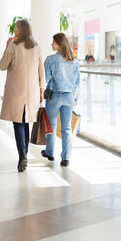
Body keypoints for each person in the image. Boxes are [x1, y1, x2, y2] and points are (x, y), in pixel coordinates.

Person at [0, 19, 45, 172]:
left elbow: (2, 66)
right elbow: (41, 71)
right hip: (31, 92)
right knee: (25, 123)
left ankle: (22, 155)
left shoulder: (13, 46)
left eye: (16, 28)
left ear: (20, 29)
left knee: (18, 123)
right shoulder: (36, 47)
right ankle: (24, 154)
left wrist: (6, 48)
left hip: (16, 91)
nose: (15, 30)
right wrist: (41, 89)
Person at [41, 33, 80, 167]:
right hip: (69, 96)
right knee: (66, 128)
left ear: (59, 44)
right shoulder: (74, 61)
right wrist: (74, 98)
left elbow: (45, 78)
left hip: (54, 96)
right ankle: (66, 158)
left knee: (51, 126)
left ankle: (50, 153)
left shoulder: (50, 59)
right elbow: (77, 83)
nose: (51, 44)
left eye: (53, 42)